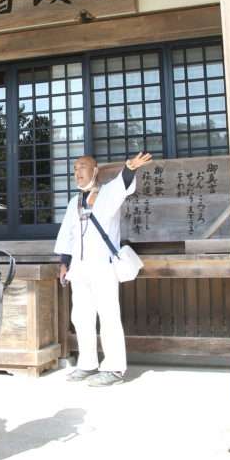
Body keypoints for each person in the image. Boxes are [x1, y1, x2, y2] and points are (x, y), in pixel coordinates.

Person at [55, 151, 151, 387]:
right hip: (79, 267)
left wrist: (129, 168)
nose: (78, 172)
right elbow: (68, 234)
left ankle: (115, 368)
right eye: (75, 168)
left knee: (108, 315)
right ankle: (87, 363)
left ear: (95, 170)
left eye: (83, 167)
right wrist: (64, 262)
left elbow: (123, 185)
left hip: (103, 266)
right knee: (81, 316)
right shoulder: (73, 202)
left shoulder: (107, 194)